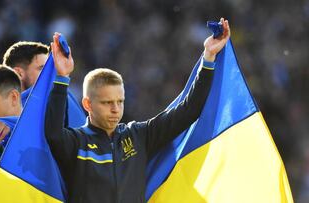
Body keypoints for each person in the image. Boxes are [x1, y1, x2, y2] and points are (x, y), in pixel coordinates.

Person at [45, 18, 230, 202]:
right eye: (107, 103)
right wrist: (62, 78)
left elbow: (189, 110)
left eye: (120, 101)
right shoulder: (75, 142)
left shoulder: (138, 136)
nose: (116, 109)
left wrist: (209, 57)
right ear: (87, 104)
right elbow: (52, 133)